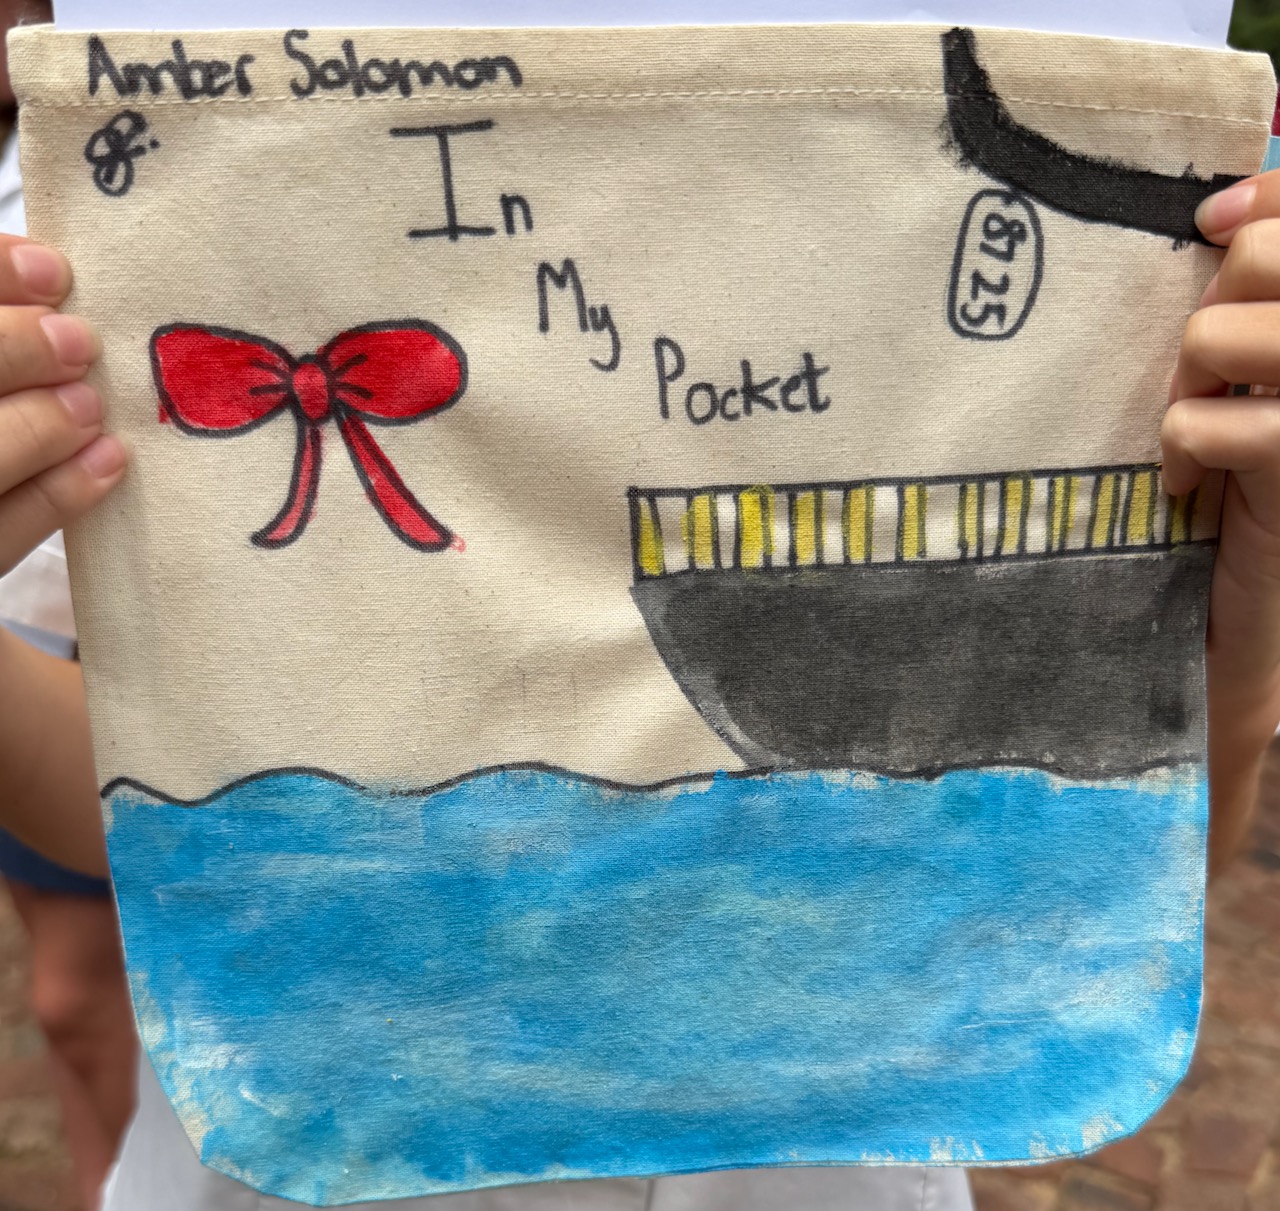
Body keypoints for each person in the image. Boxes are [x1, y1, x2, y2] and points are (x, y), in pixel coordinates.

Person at [2, 43, 1279, 1211]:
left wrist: (1247, 608)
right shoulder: (89, 217)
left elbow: (1139, 854)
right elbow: (124, 788)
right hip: (292, 1135)